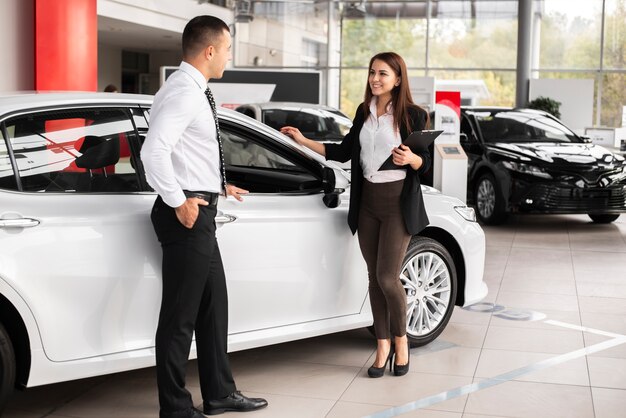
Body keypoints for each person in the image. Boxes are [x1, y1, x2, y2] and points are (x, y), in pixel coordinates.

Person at [141, 15, 268, 417]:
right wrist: (180, 200)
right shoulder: (185, 92)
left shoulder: (187, 88)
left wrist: (215, 185)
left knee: (214, 308)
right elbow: (153, 152)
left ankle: (219, 393)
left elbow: (182, 151)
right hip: (187, 216)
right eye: (228, 48)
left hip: (201, 206)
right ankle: (175, 408)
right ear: (210, 50)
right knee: (180, 318)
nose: (229, 56)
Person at [281, 52, 430, 378]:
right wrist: (303, 140)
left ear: (398, 79)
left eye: (383, 74)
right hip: (368, 204)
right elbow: (343, 151)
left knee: (388, 277)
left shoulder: (413, 115)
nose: (375, 79)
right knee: (373, 279)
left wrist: (412, 160)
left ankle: (401, 341)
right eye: (372, 73)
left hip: (397, 203)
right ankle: (382, 345)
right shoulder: (364, 111)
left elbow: (425, 163)